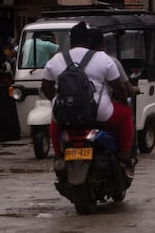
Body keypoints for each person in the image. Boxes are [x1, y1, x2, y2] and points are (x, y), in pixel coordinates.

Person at [41, 22, 136, 176]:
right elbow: (119, 88)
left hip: (65, 113)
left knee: (54, 119)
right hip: (99, 112)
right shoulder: (103, 59)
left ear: (70, 40)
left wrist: (56, 101)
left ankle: (58, 156)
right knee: (126, 115)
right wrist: (124, 99)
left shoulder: (56, 60)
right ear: (88, 40)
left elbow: (46, 87)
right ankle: (125, 158)